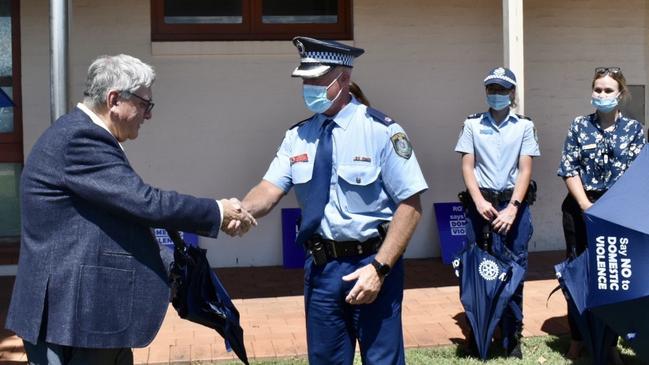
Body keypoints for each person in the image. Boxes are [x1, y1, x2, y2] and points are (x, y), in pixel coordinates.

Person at [5, 54, 255, 365]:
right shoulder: (80, 138)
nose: (148, 115)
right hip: (70, 315)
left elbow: (122, 210)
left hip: (85, 314)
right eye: (145, 104)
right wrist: (218, 212)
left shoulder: (85, 135)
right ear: (113, 100)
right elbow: (143, 201)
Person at [240, 36, 428, 365]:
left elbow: (410, 207)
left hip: (372, 264)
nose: (309, 86)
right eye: (305, 80)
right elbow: (268, 189)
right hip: (322, 269)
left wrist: (379, 270)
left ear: (344, 79)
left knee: (383, 361)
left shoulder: (382, 131)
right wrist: (238, 211)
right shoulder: (297, 137)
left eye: (317, 79)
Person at [557, 66, 645, 363]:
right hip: (581, 209)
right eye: (598, 89)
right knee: (578, 274)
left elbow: (638, 175)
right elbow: (569, 169)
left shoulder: (634, 130)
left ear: (621, 94)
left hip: (617, 213)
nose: (602, 94)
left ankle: (609, 342)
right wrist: (587, 207)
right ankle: (579, 338)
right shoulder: (579, 125)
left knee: (613, 278)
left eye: (608, 90)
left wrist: (612, 211)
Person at [455, 67, 540, 358]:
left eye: (502, 90)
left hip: (512, 207)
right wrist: (478, 201)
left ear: (512, 93)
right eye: (492, 89)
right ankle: (478, 333)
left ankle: (511, 336)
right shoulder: (472, 124)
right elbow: (468, 165)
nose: (497, 95)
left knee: (514, 270)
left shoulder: (524, 126)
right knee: (476, 272)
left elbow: (525, 169)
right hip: (481, 206)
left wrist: (513, 209)